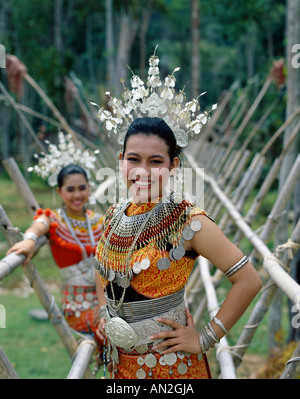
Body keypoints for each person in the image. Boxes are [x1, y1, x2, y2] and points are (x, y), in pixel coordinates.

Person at [94, 117, 262, 379]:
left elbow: (249, 280)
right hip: (121, 365)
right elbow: (102, 267)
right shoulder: (114, 215)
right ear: (121, 160)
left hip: (171, 368)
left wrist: (206, 337)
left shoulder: (188, 221)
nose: (143, 171)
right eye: (134, 159)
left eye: (156, 162)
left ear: (173, 165)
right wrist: (104, 311)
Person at [7, 164, 104, 364]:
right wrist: (30, 239)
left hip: (106, 303)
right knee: (110, 330)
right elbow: (39, 225)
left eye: (82, 188)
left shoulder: (100, 221)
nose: (77, 195)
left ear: (89, 189)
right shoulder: (53, 219)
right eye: (70, 189)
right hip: (77, 308)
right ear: (59, 192)